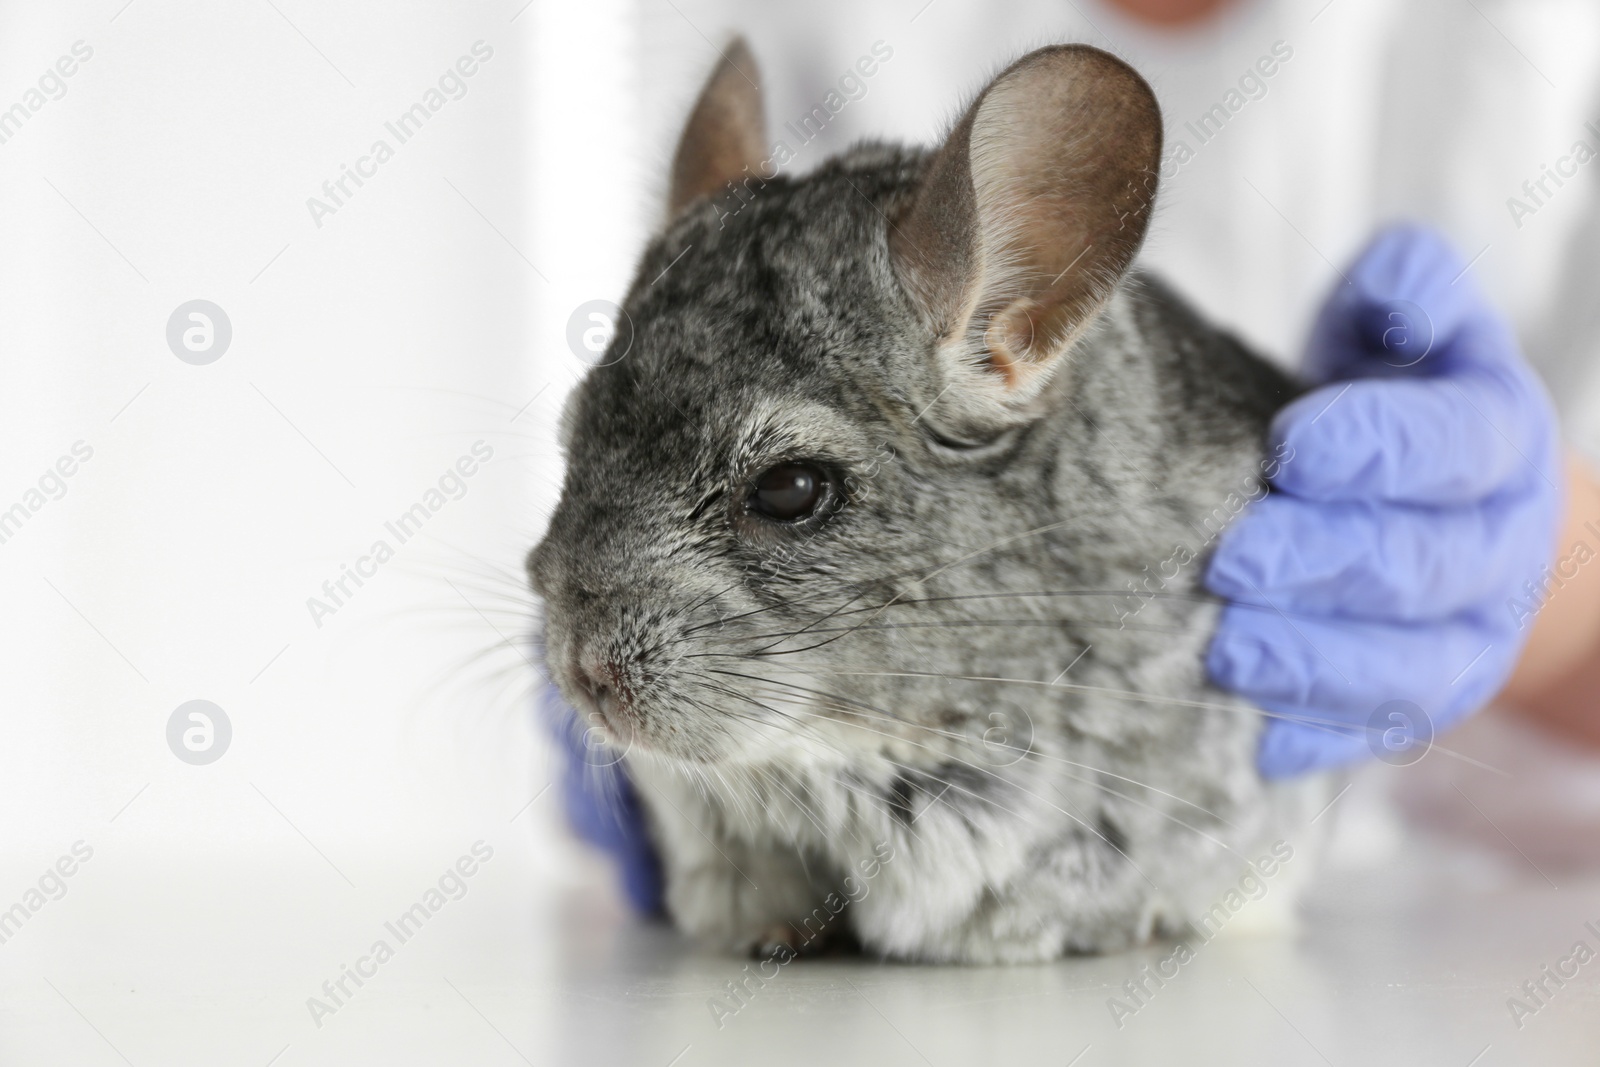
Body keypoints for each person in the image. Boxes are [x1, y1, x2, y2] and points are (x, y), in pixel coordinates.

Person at [556, 0, 1600, 906]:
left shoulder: (1535, 36)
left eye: (788, 486)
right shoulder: (804, 21)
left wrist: (1554, 589)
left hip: (1499, 925)